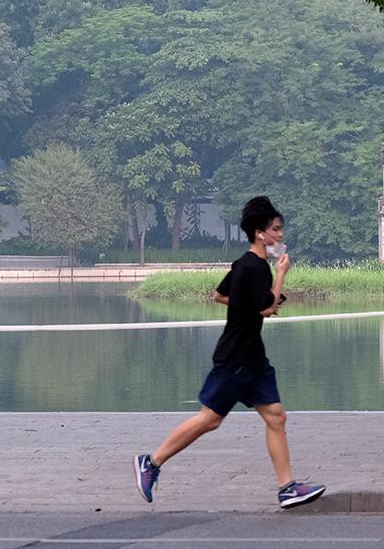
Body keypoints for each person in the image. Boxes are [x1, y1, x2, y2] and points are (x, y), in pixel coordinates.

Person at [134, 196, 325, 509]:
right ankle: (151, 463)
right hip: (236, 358)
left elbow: (220, 295)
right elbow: (264, 306)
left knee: (276, 416)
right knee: (210, 420)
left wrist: (251, 305)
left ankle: (287, 488)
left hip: (252, 357)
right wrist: (281, 275)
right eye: (276, 230)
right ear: (260, 233)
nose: (280, 236)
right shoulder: (258, 267)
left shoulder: (241, 265)